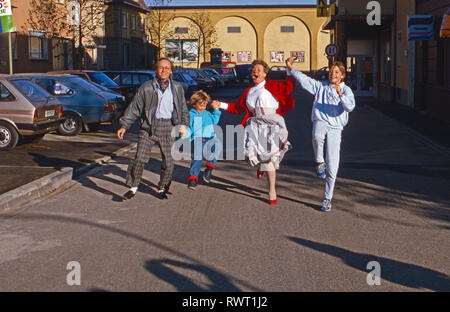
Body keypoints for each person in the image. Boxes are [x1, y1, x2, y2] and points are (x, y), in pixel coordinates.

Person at [213, 59, 295, 204]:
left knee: (269, 158)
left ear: (265, 74)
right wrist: (221, 105)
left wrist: (289, 69)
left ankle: (272, 191)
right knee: (259, 156)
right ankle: (261, 165)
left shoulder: (271, 86)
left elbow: (289, 86)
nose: (255, 72)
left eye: (258, 70)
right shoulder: (248, 91)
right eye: (253, 70)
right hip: (255, 125)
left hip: (272, 123)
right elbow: (238, 108)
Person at [286, 57, 355, 212]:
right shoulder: (321, 87)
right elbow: (305, 80)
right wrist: (291, 69)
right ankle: (319, 162)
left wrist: (340, 95)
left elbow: (350, 107)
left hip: (336, 128)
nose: (333, 74)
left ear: (342, 75)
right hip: (321, 121)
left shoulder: (346, 90)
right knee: (317, 136)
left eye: (336, 72)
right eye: (331, 71)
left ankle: (327, 198)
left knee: (333, 165)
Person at [117, 58, 189, 200]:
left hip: (168, 126)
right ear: (156, 70)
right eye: (161, 67)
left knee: (168, 162)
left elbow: (183, 108)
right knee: (140, 158)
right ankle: (133, 186)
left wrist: (183, 125)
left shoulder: (177, 88)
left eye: (167, 68)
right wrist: (124, 125)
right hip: (148, 127)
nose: (164, 70)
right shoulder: (147, 87)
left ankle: (162, 187)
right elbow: (135, 108)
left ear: (171, 71)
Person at [184, 90, 222, 190]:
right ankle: (193, 178)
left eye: (204, 105)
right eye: (200, 105)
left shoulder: (207, 113)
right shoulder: (191, 115)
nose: (203, 107)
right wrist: (184, 134)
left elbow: (214, 121)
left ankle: (209, 168)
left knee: (217, 145)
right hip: (199, 139)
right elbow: (189, 128)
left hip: (211, 137)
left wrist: (216, 110)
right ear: (194, 104)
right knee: (197, 157)